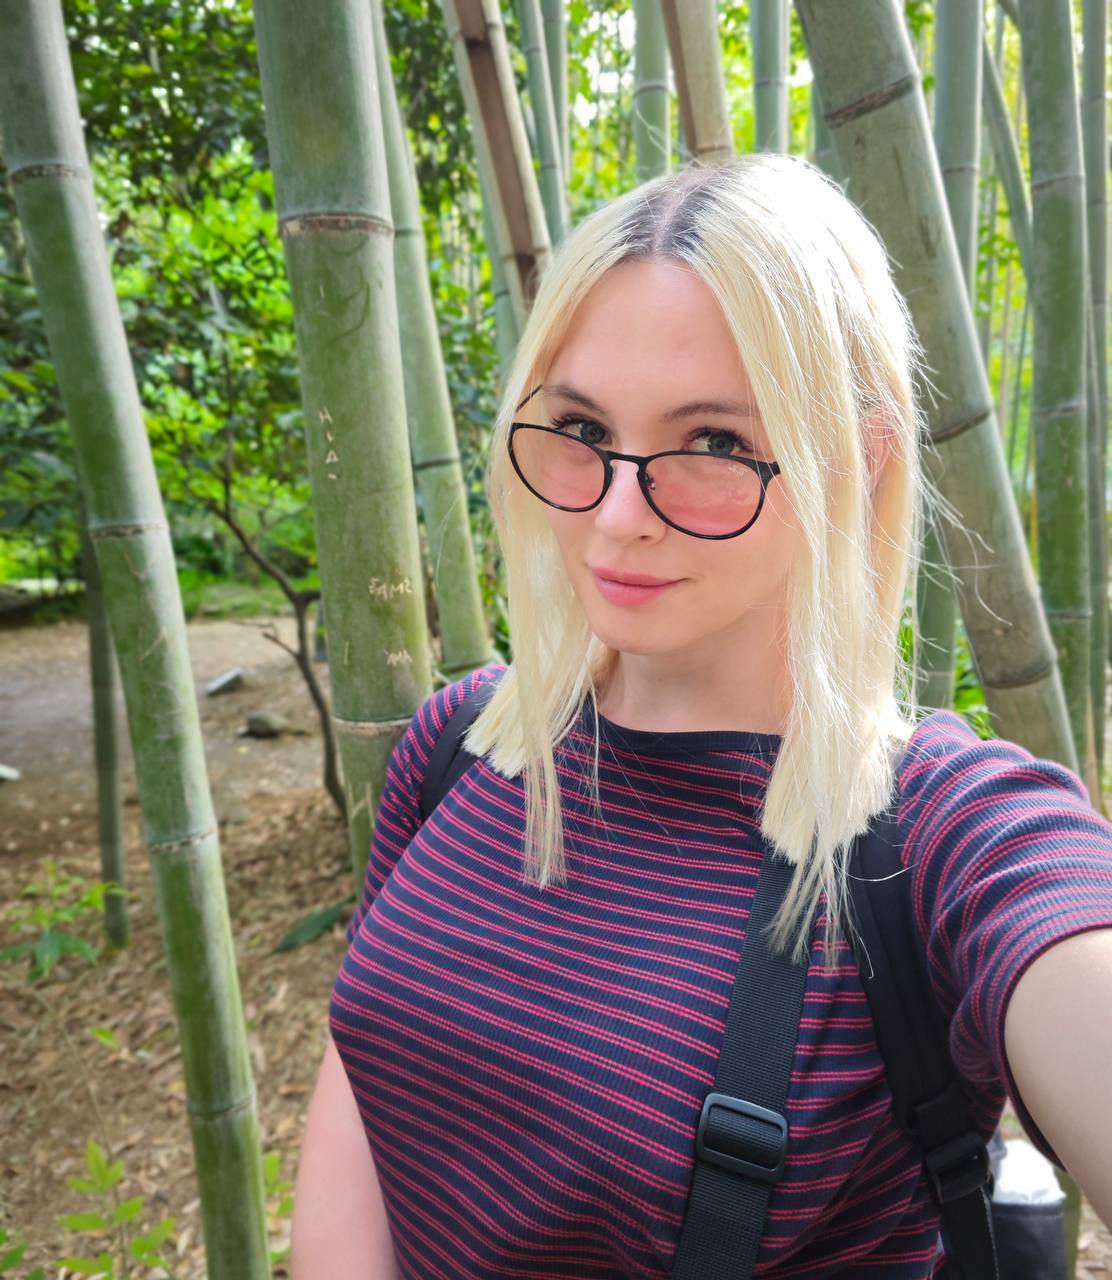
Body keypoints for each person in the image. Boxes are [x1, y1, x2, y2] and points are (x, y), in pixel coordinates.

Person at [290, 155, 1112, 1279]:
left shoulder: (940, 837)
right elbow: (367, 1081)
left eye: (716, 443)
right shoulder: (460, 746)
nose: (617, 514)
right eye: (580, 426)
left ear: (854, 458)